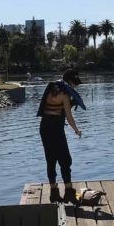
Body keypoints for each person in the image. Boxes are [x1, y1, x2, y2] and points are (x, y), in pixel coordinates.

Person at [37, 69, 84, 204]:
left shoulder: (51, 88)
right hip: (56, 129)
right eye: (75, 83)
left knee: (50, 159)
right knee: (65, 159)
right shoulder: (64, 94)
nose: (75, 86)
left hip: (44, 127)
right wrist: (76, 129)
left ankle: (54, 193)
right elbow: (68, 116)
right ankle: (69, 192)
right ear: (70, 82)